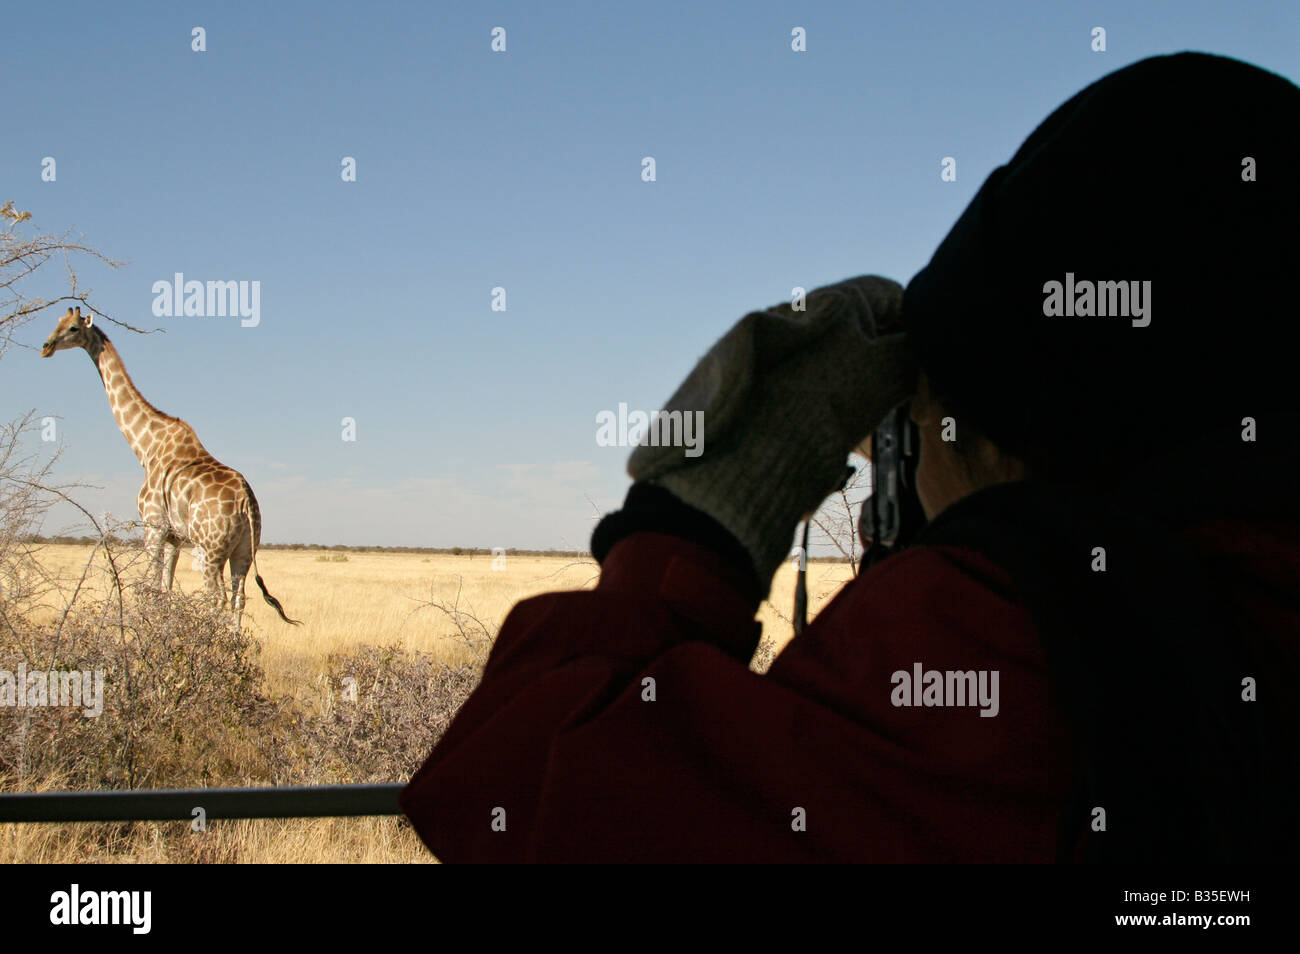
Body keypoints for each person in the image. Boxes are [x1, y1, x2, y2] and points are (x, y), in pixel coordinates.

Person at [400, 52, 1300, 862]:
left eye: (915, 424)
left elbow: (509, 795)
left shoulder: (1036, 633)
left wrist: (690, 525)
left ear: (997, 435)